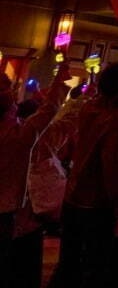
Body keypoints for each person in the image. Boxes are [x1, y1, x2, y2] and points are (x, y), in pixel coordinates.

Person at [53, 61, 118, 287]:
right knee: (96, 263)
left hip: (74, 193)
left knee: (69, 258)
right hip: (98, 200)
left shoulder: (86, 108)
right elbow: (115, 165)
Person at [0, 64, 69, 286]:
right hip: (6, 211)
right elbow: (49, 110)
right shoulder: (20, 136)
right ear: (11, 110)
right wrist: (59, 81)